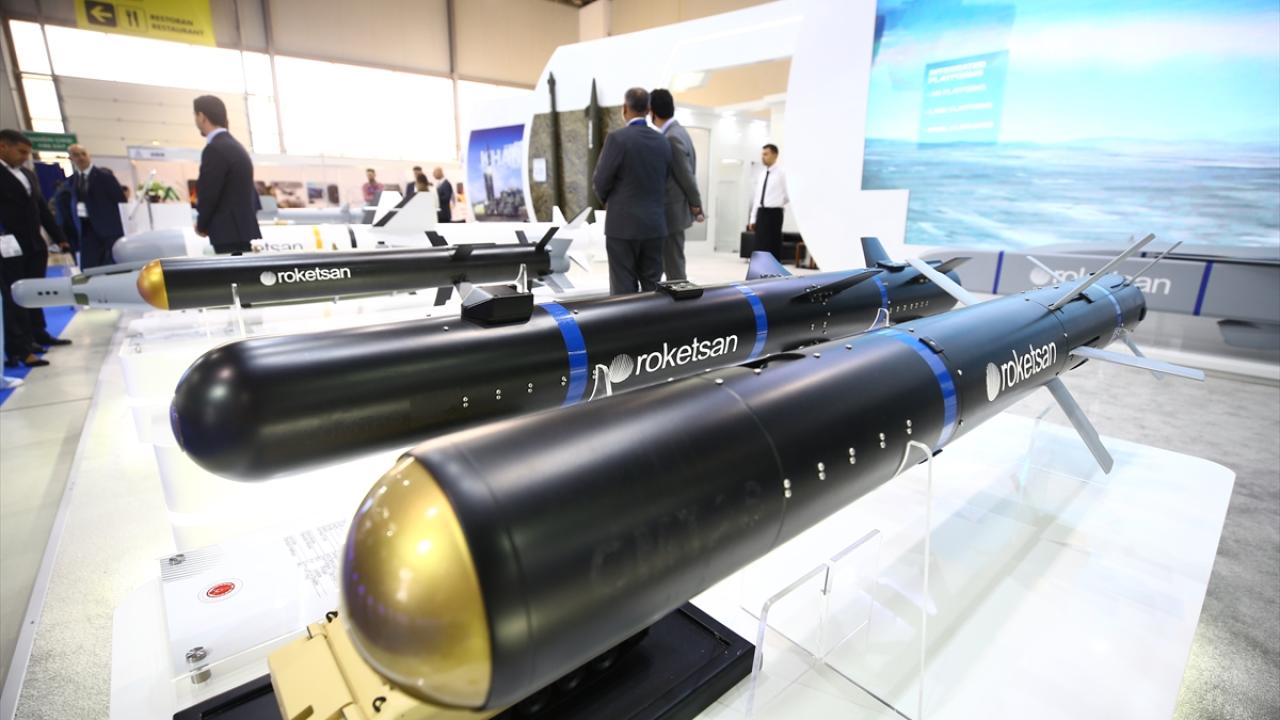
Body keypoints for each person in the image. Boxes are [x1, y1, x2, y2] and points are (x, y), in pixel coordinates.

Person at [1, 129, 71, 369]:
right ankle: (19, 349)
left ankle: (37, 334)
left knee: (35, 293)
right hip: (8, 248)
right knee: (14, 297)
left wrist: (60, 238)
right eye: (21, 152)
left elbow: (41, 209)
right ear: (3, 147)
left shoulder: (28, 175)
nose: (24, 157)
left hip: (34, 244)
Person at [592, 87, 671, 294]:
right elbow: (666, 181)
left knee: (623, 290)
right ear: (648, 109)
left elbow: (600, 181)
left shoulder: (617, 139)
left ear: (625, 108)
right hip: (654, 226)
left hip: (622, 226)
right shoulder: (663, 141)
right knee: (652, 289)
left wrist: (611, 203)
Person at [193, 95, 261, 254]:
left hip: (226, 234)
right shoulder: (236, 146)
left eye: (195, 115)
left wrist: (202, 224)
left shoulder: (215, 149)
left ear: (202, 116)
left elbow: (209, 193)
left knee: (232, 270)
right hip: (240, 231)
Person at [648, 89, 702, 281]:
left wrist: (696, 204)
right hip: (674, 211)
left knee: (674, 267)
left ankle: (681, 299)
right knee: (671, 262)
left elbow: (686, 175)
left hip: (671, 212)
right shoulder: (680, 132)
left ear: (652, 111)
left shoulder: (671, 137)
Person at [54, 144, 125, 269]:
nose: (81, 158)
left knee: (112, 266)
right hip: (85, 231)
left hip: (109, 231)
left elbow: (121, 202)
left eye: (83, 154)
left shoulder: (106, 177)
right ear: (71, 159)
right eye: (76, 155)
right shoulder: (71, 181)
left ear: (89, 156)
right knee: (89, 267)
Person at [748, 143, 789, 260]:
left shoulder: (782, 173)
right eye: (762, 154)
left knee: (772, 245)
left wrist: (778, 202)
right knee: (759, 245)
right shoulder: (762, 175)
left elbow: (788, 195)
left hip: (774, 213)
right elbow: (757, 198)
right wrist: (753, 218)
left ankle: (773, 270)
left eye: (766, 154)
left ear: (775, 155)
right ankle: (760, 270)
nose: (763, 157)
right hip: (761, 213)